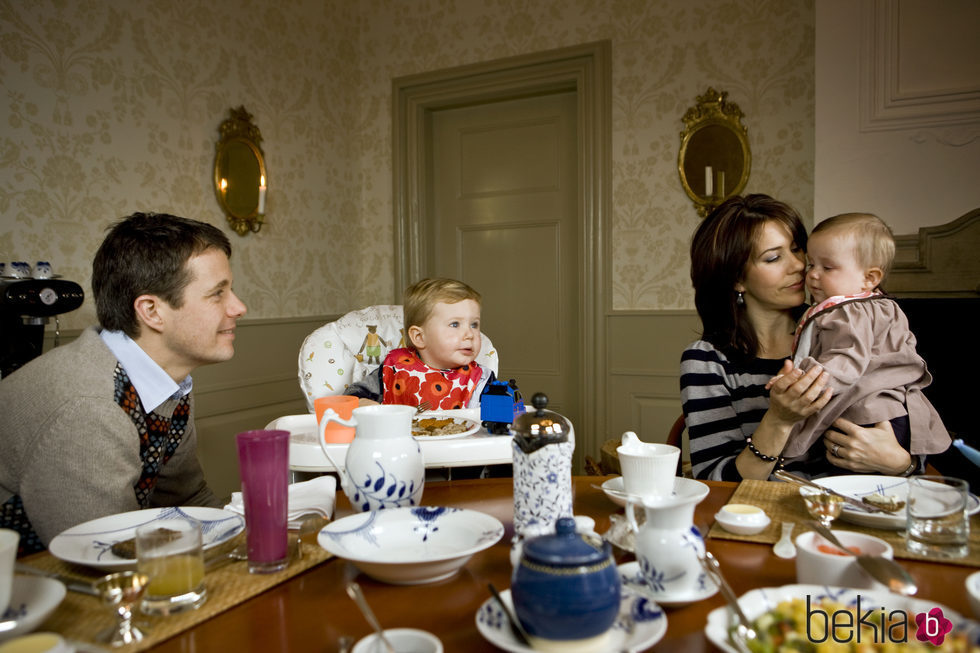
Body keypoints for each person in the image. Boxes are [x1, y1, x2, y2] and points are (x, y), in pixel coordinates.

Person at [0, 212, 247, 555]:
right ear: (151, 311)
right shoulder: (89, 409)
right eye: (217, 294)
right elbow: (101, 557)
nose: (239, 307)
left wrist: (247, 545)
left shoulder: (167, 386)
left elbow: (187, 498)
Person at [680, 194, 915, 481]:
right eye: (774, 257)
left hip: (853, 512)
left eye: (796, 249)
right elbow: (714, 482)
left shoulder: (844, 332)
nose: (799, 266)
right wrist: (778, 420)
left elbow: (909, 414)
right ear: (737, 279)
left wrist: (900, 463)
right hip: (768, 518)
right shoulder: (707, 360)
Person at [778, 213, 949, 462]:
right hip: (892, 410)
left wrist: (802, 383)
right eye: (811, 264)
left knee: (850, 479)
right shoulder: (879, 306)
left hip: (869, 415)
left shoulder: (850, 311)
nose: (812, 275)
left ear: (869, 278)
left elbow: (846, 359)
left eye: (827, 267)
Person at [345, 278, 494, 408]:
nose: (470, 334)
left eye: (474, 325)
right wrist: (361, 402)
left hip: (462, 441)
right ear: (419, 337)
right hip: (399, 439)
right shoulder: (395, 367)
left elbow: (503, 416)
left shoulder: (481, 379)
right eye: (455, 324)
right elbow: (352, 396)